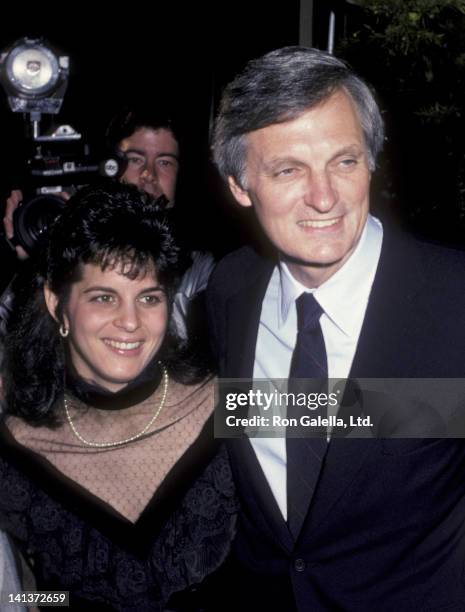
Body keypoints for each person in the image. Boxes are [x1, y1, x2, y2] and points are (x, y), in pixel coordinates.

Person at [207, 46, 465, 611]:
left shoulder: (455, 300)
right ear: (240, 185)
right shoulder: (228, 291)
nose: (324, 197)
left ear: (371, 161)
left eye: (344, 162)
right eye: (287, 170)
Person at [0, 182, 237, 611]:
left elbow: (385, 409)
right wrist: (53, 603)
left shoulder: (222, 403)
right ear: (58, 305)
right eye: (104, 297)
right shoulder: (19, 448)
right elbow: (14, 593)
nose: (131, 322)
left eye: (149, 297)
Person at [2, 103, 215, 340]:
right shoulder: (77, 252)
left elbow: (216, 361)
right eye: (135, 160)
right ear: (107, 167)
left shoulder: (200, 272)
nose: (149, 175)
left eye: (164, 162)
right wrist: (41, 263)